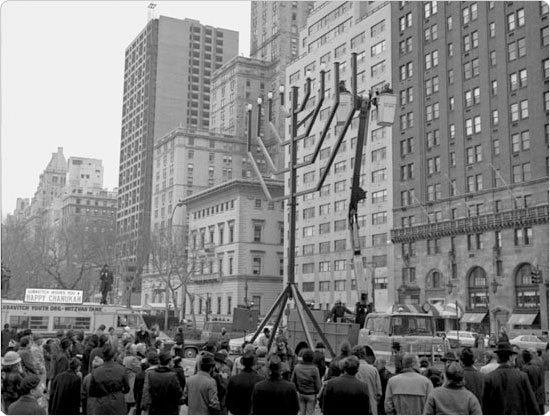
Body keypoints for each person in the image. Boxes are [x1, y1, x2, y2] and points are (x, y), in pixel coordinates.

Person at [482, 341, 539, 415]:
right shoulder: (522, 376)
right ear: (510, 357)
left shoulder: (489, 377)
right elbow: (532, 404)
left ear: (498, 358)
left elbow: (485, 407)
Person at [89, 344, 130, 415]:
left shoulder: (96, 372)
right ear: (114, 355)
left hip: (102, 404)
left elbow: (91, 392)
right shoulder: (121, 369)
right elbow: (127, 388)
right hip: (118, 403)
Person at [141, 350, 182, 415]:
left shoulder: (151, 374)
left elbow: (146, 391)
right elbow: (178, 393)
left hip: (155, 408)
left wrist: (144, 405)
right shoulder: (172, 376)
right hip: (169, 409)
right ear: (169, 361)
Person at [290, 348, 321, 415]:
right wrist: (318, 393)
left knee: (301, 413)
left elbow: (292, 381)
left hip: (300, 393)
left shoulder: (297, 367)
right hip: (311, 394)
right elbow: (318, 384)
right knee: (310, 413)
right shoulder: (314, 369)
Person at [352, 345, 381, 415]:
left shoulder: (351, 369)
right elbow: (379, 392)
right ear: (364, 355)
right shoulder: (373, 370)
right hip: (371, 407)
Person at [520, 349, 545, 414]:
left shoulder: (528, 367)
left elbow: (532, 385)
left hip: (532, 398)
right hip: (539, 396)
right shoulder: (539, 362)